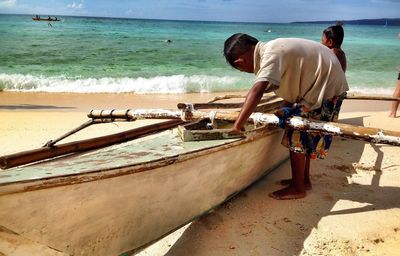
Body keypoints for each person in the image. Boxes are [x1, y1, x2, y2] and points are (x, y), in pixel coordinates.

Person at [223, 33, 348, 200]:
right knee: (305, 133)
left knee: (296, 131)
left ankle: (298, 188)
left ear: (240, 62)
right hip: (327, 86)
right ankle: (303, 181)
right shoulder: (274, 48)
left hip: (326, 90)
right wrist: (284, 108)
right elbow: (297, 80)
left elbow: (257, 90)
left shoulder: (271, 53)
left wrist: (237, 126)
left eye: (242, 70)